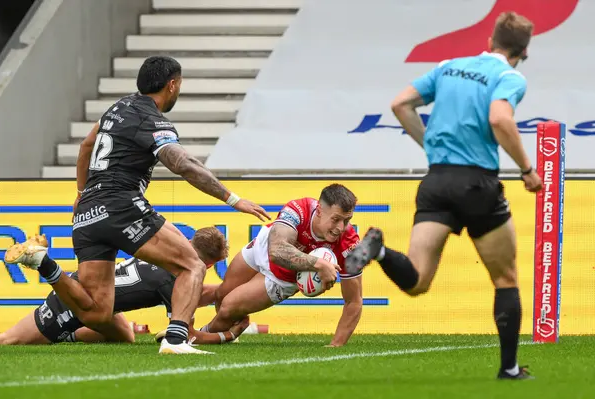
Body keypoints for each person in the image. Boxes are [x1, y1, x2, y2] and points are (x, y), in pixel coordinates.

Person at [4, 55, 270, 354]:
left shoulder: (116, 109)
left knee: (97, 313)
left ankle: (45, 264)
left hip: (87, 215)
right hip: (121, 206)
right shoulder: (153, 120)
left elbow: (86, 146)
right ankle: (176, 339)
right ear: (172, 85)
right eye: (179, 85)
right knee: (192, 265)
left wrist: (81, 191)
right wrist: (232, 199)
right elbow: (183, 164)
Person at [345, 12, 541, 379]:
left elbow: (401, 104)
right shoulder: (509, 77)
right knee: (505, 278)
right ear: (523, 51)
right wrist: (527, 170)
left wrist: (430, 146)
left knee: (418, 281)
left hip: (436, 181)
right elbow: (500, 119)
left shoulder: (449, 66)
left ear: (489, 42)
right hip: (477, 184)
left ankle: (380, 250)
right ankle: (510, 369)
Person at [0, 228, 248, 348]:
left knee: (124, 336)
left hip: (99, 299)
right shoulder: (176, 280)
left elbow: (200, 293)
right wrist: (228, 335)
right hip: (72, 301)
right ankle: (44, 263)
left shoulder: (169, 253)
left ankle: (72, 334)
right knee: (6, 341)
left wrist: (226, 294)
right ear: (211, 263)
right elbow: (188, 334)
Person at [201, 184, 363, 347]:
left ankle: (198, 338)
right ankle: (226, 331)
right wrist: (319, 264)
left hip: (281, 279)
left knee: (228, 308)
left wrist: (336, 345)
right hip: (264, 247)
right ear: (319, 210)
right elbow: (276, 251)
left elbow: (354, 301)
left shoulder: (349, 244)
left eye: (347, 220)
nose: (340, 228)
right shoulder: (299, 209)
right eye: (336, 219)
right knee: (222, 295)